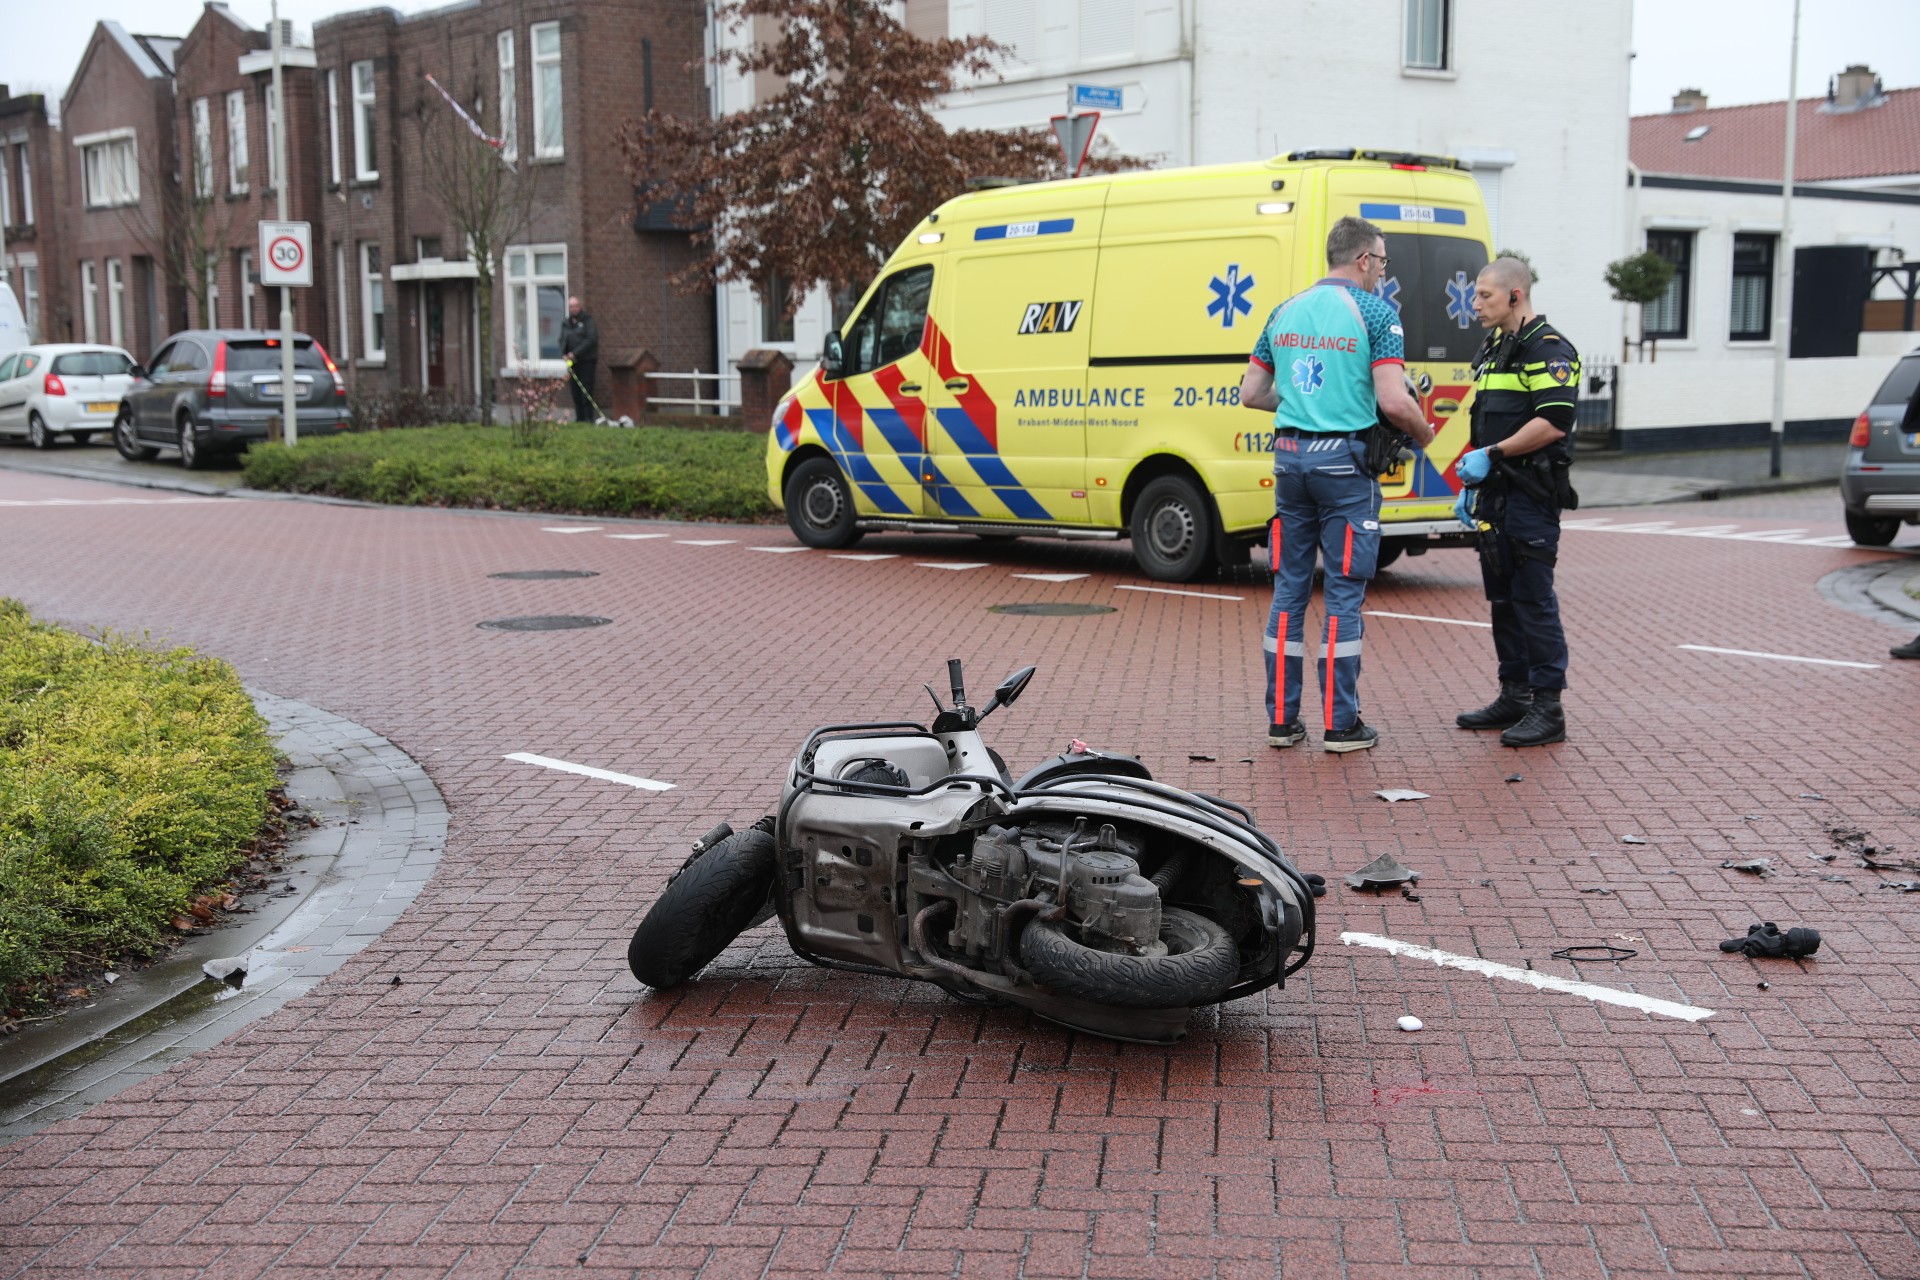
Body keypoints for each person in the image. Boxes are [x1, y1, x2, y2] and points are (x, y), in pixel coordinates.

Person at [1240, 217, 1432, 753]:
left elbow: (1251, 393)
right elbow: (1394, 401)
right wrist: (1423, 432)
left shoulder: (1284, 310)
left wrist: (1304, 404)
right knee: (1344, 596)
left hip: (1290, 462)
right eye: (1383, 263)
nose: (1382, 274)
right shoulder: (1376, 312)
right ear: (1365, 259)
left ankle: (1282, 721)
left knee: (1289, 590)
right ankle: (1340, 724)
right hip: (1344, 467)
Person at [1451, 257, 1580, 747]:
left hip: (1529, 497)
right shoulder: (1494, 349)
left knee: (1533, 600)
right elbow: (1486, 420)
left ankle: (1548, 707)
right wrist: (1473, 474)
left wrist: (1494, 454)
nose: (1474, 304)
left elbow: (1553, 422)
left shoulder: (1547, 350)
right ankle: (1515, 693)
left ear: (1515, 295)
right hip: (1495, 496)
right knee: (1503, 599)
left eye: (1484, 295)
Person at [559, 296, 600, 423]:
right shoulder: (566, 323)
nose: (573, 309)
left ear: (580, 307)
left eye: (576, 306)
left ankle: (588, 418)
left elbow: (591, 340)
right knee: (575, 391)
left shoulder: (588, 321)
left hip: (586, 361)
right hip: (572, 363)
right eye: (571, 306)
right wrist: (564, 353)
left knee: (586, 390)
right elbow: (562, 339)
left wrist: (575, 353)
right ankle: (579, 419)